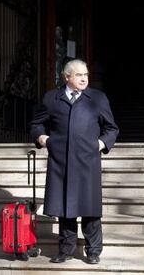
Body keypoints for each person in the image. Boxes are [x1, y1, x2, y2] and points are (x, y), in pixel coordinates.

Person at [30, 59, 119, 264]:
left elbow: (111, 128)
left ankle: (93, 250)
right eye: (79, 75)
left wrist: (100, 144)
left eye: (86, 75)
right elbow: (36, 124)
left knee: (90, 208)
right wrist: (43, 139)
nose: (84, 78)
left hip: (87, 161)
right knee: (65, 207)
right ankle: (66, 249)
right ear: (67, 77)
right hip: (60, 161)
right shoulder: (52, 98)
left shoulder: (97, 98)